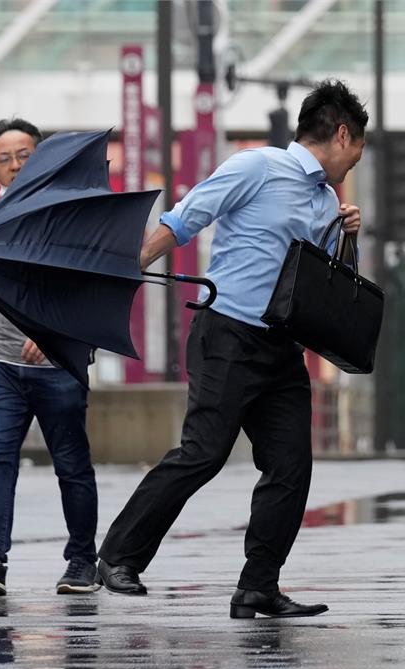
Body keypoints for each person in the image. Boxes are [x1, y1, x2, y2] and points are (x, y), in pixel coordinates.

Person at [96, 80, 368, 619]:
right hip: (228, 335)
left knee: (291, 465)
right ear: (342, 134)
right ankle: (118, 555)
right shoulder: (257, 167)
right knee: (204, 452)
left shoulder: (326, 200)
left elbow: (326, 284)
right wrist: (130, 268)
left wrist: (347, 237)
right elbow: (187, 215)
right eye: (359, 145)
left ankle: (257, 588)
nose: (358, 156)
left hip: (282, 349)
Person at [0, 118, 100, 596]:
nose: (15, 165)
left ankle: (81, 562)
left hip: (58, 366)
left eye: (25, 155)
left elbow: (92, 288)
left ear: (42, 160)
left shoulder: (71, 216)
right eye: (5, 159)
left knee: (72, 465)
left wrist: (57, 334)